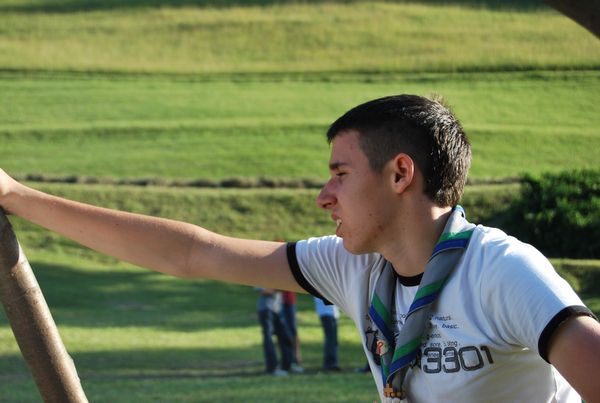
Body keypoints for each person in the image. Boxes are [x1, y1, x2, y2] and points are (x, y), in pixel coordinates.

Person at [1, 94, 599, 402]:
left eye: (340, 174)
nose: (323, 196)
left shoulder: (500, 269)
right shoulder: (354, 266)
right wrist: (17, 196)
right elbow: (193, 254)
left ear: (400, 174)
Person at [255, 287, 296, 376]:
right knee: (269, 339)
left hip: (278, 309)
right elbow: (265, 291)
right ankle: (272, 368)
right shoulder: (259, 278)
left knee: (285, 336)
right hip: (266, 308)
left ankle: (287, 365)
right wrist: (280, 287)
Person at [314, 297, 340, 371]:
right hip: (326, 312)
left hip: (332, 313)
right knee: (330, 339)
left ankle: (333, 362)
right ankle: (330, 363)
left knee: (333, 339)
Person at [281, 290, 303, 368]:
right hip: (281, 302)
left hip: (289, 302)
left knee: (293, 331)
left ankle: (296, 356)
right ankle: (288, 358)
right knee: (284, 332)